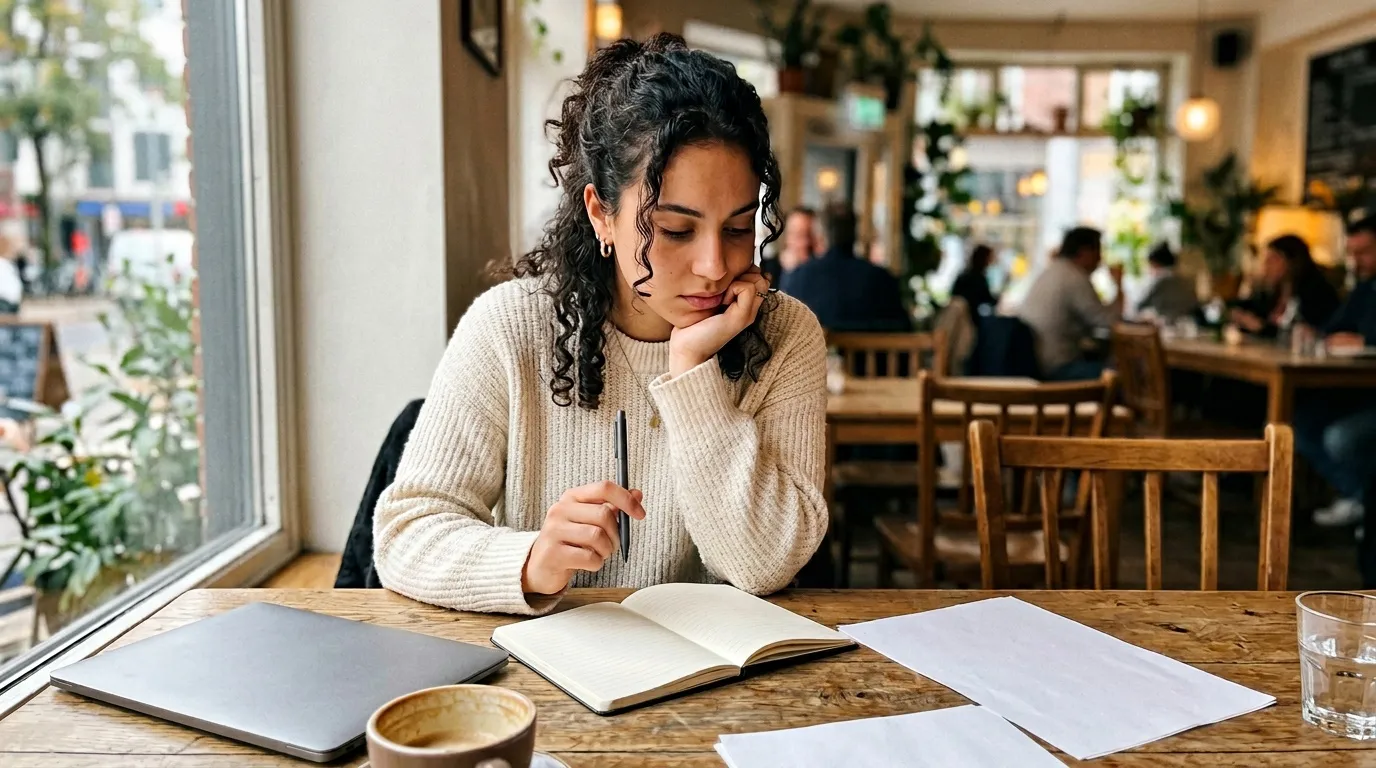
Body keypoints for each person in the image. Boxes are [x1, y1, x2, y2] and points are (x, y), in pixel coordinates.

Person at [372, 35, 828, 616]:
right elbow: (407, 532)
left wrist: (690, 371)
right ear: (601, 214)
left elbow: (765, 566)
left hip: (716, 689)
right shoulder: (511, 326)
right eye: (675, 229)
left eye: (738, 229)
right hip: (542, 676)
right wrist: (532, 560)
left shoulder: (786, 336)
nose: (715, 267)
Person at [1295, 215, 1376, 529]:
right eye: (1351, 253)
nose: (1355, 261)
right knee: (1298, 423)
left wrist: (1364, 341)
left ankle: (1361, 502)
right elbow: (1331, 329)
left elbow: (1357, 337)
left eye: (1365, 252)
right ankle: (1358, 496)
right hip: (1355, 392)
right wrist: (1314, 335)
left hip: (1367, 399)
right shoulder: (1364, 290)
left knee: (1339, 437)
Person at [777, 203, 910, 332]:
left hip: (818, 354)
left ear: (820, 237)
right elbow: (904, 329)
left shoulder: (797, 278)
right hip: (869, 354)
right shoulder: (882, 278)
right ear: (855, 235)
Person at [1017, 227, 1122, 381]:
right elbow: (1110, 320)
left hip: (1035, 363)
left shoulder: (1051, 271)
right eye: (1099, 252)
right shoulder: (1074, 277)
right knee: (1126, 375)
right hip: (1057, 368)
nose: (1101, 259)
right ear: (1085, 251)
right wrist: (1119, 284)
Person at [1230, 234, 1340, 337]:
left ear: (1292, 262)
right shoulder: (1270, 295)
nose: (1266, 267)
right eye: (1265, 261)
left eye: (1273, 260)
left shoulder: (1317, 296)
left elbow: (1308, 334)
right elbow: (1243, 307)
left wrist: (1261, 328)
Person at [1135, 243, 1198, 322]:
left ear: (1156, 263)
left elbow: (1140, 305)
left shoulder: (1162, 280)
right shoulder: (1187, 281)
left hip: (1168, 325)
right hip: (1189, 324)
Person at [760, 206, 817, 284]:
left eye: (809, 235)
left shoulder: (822, 271)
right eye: (798, 235)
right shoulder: (765, 269)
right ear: (786, 236)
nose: (805, 243)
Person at [950, 243, 998, 321]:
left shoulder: (964, 274)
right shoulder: (978, 278)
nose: (991, 260)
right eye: (990, 257)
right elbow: (986, 298)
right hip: (968, 318)